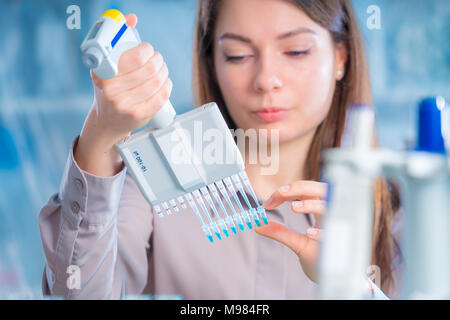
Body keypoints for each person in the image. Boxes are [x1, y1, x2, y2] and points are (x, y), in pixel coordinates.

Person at [39, 0, 403, 299]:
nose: (265, 80)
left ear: (341, 57)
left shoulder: (400, 214)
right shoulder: (155, 182)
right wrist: (101, 136)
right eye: (238, 55)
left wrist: (353, 288)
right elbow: (77, 292)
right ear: (211, 62)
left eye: (295, 50)